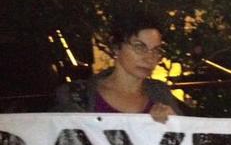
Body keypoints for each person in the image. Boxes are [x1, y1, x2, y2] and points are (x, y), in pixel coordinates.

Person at [52, 11, 181, 122]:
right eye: (139, 47)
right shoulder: (78, 96)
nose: (149, 58)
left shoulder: (161, 94)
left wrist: (175, 123)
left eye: (156, 50)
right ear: (116, 47)